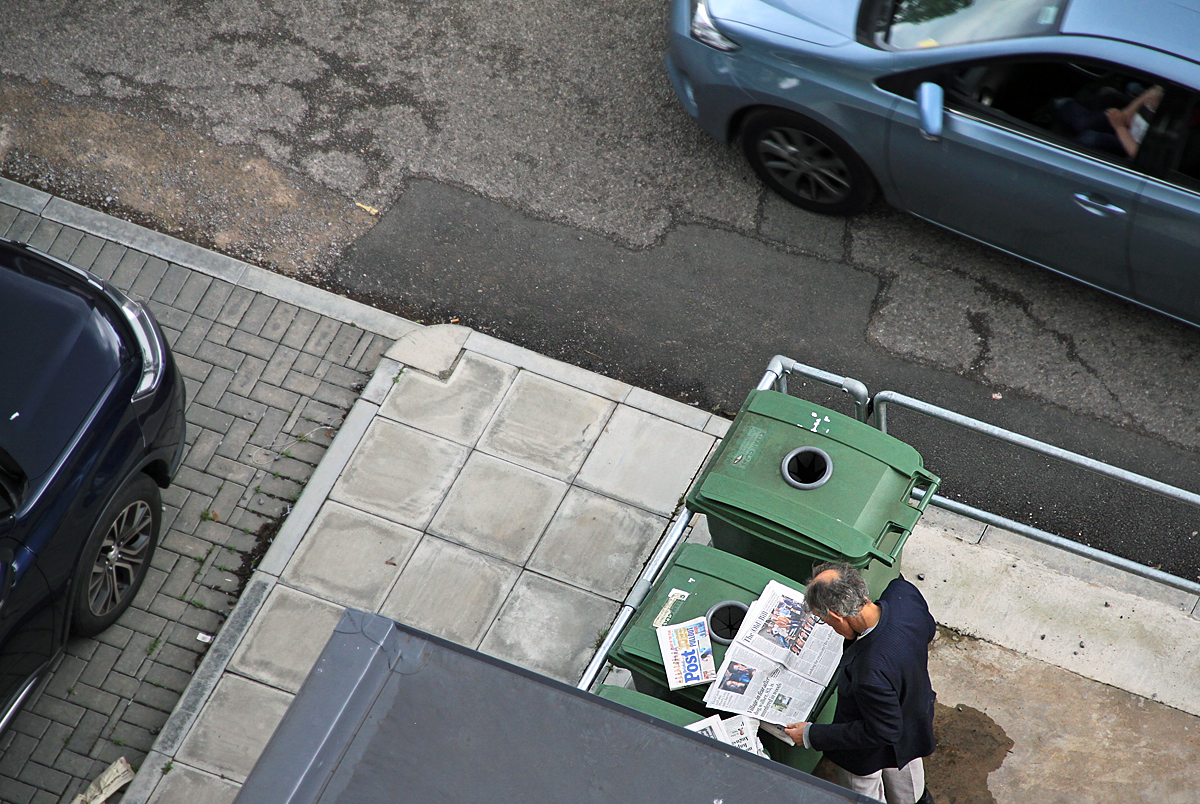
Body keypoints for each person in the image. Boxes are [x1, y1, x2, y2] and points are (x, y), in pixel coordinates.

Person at [783, 563, 936, 804]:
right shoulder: (904, 595)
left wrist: (812, 734)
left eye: (826, 621)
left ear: (836, 616)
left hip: (864, 752)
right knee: (909, 788)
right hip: (913, 721)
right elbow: (928, 629)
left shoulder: (869, 672)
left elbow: (882, 730)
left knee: (863, 794)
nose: (830, 628)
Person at [1052, 84, 1164, 158]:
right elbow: (1153, 92)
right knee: (1085, 122)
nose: (1149, 104)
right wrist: (1123, 115)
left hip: (1130, 146)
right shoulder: (1158, 96)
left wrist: (1119, 127)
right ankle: (1058, 104)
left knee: (1089, 138)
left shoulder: (1167, 129)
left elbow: (1138, 155)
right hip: (1125, 127)